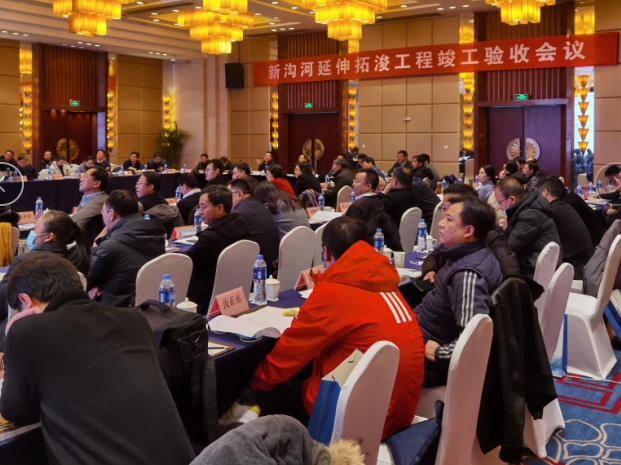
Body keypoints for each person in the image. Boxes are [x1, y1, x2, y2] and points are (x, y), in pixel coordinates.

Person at [0, 254, 195, 465]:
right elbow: (161, 372)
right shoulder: (133, 318)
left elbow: (16, 411)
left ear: (25, 301)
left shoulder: (27, 331)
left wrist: (11, 336)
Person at [247, 217, 425, 438]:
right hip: (401, 410)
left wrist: (253, 385)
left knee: (272, 398)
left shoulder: (334, 291)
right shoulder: (386, 283)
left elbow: (290, 352)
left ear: (326, 252)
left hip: (357, 418)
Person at [414, 196, 502, 387]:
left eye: (449, 219)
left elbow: (473, 339)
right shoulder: (470, 253)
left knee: (368, 352)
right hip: (424, 332)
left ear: (468, 231)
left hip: (433, 358)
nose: (440, 223)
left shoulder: (467, 274)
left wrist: (439, 354)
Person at [0, 210, 90, 327]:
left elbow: (3, 301)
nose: (32, 233)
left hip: (25, 326)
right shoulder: (76, 260)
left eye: (35, 229)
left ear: (48, 237)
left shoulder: (23, 262)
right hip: (65, 325)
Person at [422, 184, 519, 283]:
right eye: (443, 208)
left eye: (452, 208)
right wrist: (430, 270)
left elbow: (510, 273)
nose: (446, 214)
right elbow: (433, 256)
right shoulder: (454, 236)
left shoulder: (491, 236)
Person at [88, 190, 166, 306]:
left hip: (118, 307)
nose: (102, 214)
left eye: (103, 211)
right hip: (152, 302)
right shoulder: (156, 234)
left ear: (111, 213)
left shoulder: (110, 246)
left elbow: (87, 280)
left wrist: (96, 245)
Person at [186, 186, 249, 315]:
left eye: (203, 207)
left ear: (220, 208)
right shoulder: (240, 224)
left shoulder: (211, 238)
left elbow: (184, 263)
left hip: (206, 300)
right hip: (235, 295)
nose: (199, 212)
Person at [495, 177, 561, 277]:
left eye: (499, 202)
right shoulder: (525, 209)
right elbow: (506, 238)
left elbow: (508, 249)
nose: (499, 207)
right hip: (534, 264)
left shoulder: (529, 216)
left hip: (534, 270)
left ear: (512, 199)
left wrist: (492, 245)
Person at [537, 177, 593, 279]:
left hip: (575, 270)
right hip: (586, 264)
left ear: (545, 192)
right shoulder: (564, 206)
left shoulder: (552, 211)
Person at [228, 179, 279, 277]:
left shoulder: (238, 213)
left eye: (228, 195)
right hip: (272, 265)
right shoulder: (260, 206)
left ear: (239, 194)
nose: (226, 200)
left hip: (257, 270)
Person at [346, 169, 403, 251]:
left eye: (357, 181)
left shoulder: (357, 206)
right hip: (376, 248)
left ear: (368, 186)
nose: (353, 184)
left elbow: (351, 237)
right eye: (354, 181)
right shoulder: (379, 201)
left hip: (361, 250)